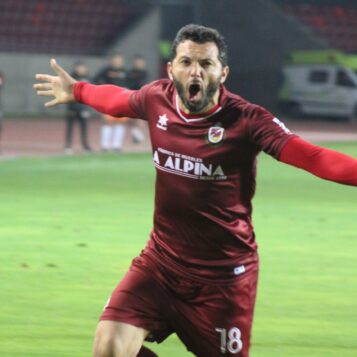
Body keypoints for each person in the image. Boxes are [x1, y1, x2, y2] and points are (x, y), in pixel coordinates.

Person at [34, 24, 357, 357]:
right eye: (187, 62)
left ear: (223, 72)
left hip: (223, 281)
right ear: (171, 67)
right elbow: (118, 101)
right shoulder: (156, 99)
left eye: (206, 64)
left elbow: (314, 158)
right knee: (109, 346)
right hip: (160, 265)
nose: (196, 71)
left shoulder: (247, 120)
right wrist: (79, 91)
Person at [94, 53, 129, 152]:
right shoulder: (106, 71)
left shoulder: (125, 72)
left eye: (119, 60)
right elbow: (95, 79)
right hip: (109, 100)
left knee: (120, 123)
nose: (118, 62)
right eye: (116, 60)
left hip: (122, 100)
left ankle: (116, 146)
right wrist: (103, 90)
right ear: (112, 61)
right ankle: (104, 146)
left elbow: (131, 83)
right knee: (107, 122)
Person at [65, 61, 92, 153]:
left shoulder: (88, 78)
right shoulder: (70, 78)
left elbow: (89, 94)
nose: (81, 69)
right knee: (70, 127)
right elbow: (67, 93)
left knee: (84, 128)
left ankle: (85, 146)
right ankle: (68, 146)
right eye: (79, 67)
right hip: (73, 107)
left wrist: (87, 108)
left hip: (83, 108)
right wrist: (70, 107)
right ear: (76, 68)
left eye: (83, 67)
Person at [126, 55, 148, 144]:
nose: (139, 64)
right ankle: (137, 134)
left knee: (141, 118)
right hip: (131, 96)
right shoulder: (130, 73)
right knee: (132, 118)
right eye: (138, 62)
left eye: (141, 62)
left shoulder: (145, 73)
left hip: (142, 97)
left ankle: (138, 135)